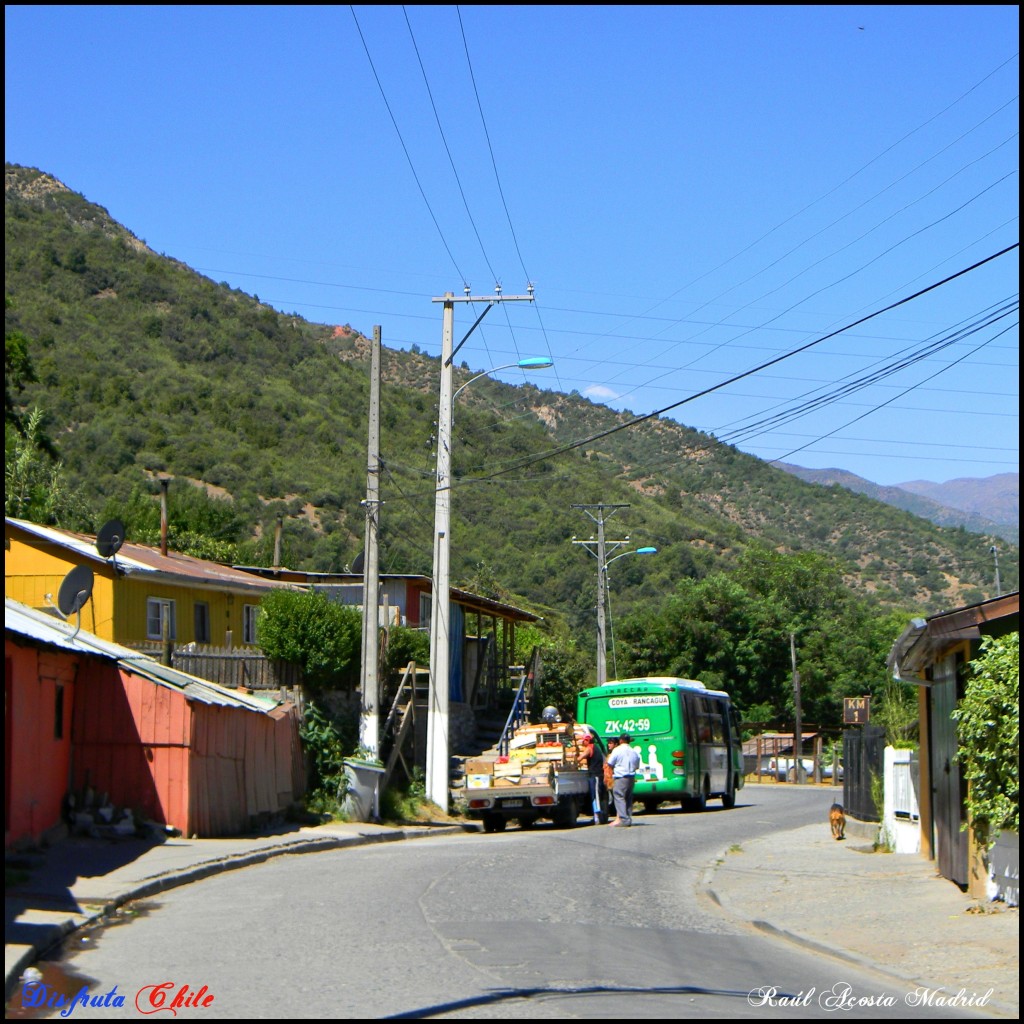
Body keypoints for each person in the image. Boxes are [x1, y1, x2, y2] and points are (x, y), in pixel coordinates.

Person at [606, 731, 641, 827]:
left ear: (621, 740)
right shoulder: (634, 751)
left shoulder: (617, 750)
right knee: (628, 798)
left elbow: (610, 763)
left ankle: (624, 819)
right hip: (631, 777)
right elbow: (637, 765)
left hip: (621, 777)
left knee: (619, 796)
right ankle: (628, 816)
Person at [578, 729, 605, 824]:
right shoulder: (596, 747)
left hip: (596, 774)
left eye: (584, 740)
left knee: (596, 795)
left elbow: (580, 758)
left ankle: (598, 816)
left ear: (588, 740)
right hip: (595, 774)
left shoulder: (590, 748)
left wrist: (575, 759)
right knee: (594, 795)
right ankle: (596, 815)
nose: (583, 742)